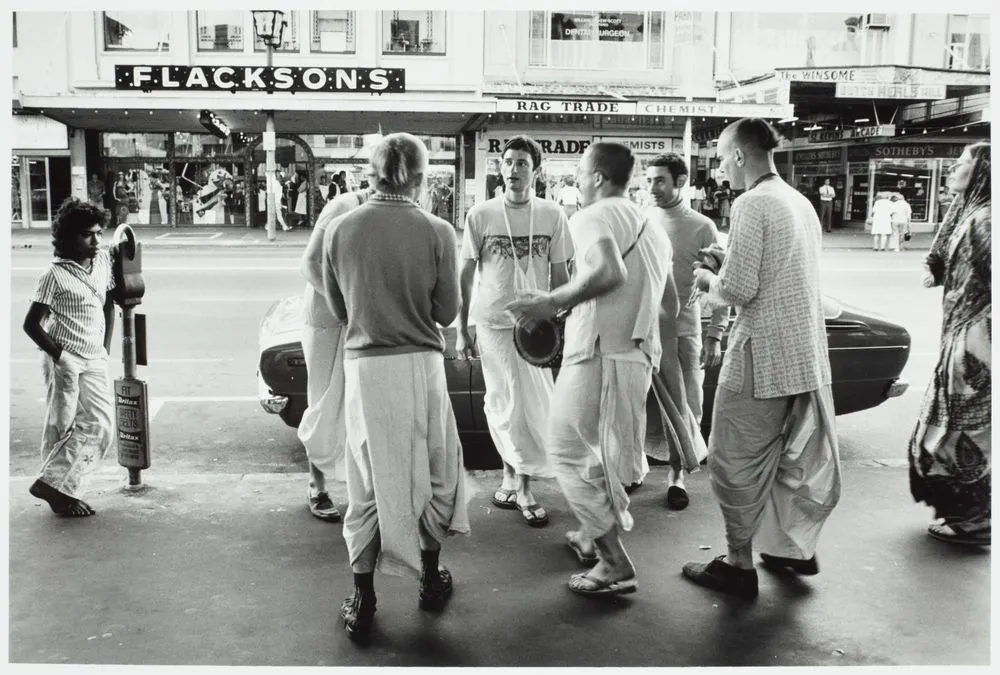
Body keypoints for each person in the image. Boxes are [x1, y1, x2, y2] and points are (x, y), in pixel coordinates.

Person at [683, 118, 840, 600]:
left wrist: (709, 279)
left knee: (732, 459)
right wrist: (725, 261)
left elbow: (737, 290)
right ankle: (790, 548)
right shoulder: (799, 201)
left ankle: (737, 564)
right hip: (803, 356)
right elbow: (778, 272)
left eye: (720, 156)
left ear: (738, 155)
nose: (718, 166)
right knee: (784, 459)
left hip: (761, 355)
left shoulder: (752, 203)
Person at [322, 133, 469, 642]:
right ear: (423, 179)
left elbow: (341, 312)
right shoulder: (437, 230)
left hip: (365, 369)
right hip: (421, 368)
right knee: (433, 472)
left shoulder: (340, 231)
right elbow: (446, 312)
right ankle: (430, 578)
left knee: (364, 482)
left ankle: (363, 597)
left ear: (372, 172)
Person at [507, 142, 671, 598]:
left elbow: (610, 272)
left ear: (597, 177)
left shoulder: (592, 216)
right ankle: (589, 533)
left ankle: (614, 563)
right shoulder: (649, 224)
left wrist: (551, 302)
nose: (575, 181)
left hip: (600, 353)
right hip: (634, 354)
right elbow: (668, 298)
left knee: (564, 449)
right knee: (596, 453)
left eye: (579, 172)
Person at [458, 135, 573, 528]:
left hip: (536, 328)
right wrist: (462, 327)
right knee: (501, 401)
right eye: (507, 162)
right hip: (492, 324)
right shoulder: (481, 214)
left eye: (522, 163)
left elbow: (561, 276)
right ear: (500, 167)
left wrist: (560, 322)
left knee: (530, 406)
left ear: (536, 170)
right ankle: (511, 471)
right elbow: (466, 273)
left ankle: (524, 485)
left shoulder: (553, 214)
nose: (513, 169)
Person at [911, 141, 991, 547]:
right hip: (963, 340)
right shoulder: (971, 212)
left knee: (961, 434)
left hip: (977, 347)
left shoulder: (986, 219)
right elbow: (946, 261)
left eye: (963, 162)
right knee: (953, 430)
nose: (954, 167)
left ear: (982, 170)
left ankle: (975, 522)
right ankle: (969, 519)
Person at [644, 153, 729, 509]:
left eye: (659, 180)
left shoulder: (703, 227)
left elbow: (720, 286)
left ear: (680, 182)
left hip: (683, 331)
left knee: (686, 405)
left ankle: (677, 474)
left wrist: (715, 334)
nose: (652, 188)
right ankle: (636, 471)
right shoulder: (641, 220)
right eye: (648, 180)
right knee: (640, 406)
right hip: (642, 331)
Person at [23, 197, 116, 518]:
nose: (95, 241)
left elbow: (107, 303)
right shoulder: (54, 275)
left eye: (99, 234)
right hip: (63, 358)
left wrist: (105, 347)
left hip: (95, 357)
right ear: (68, 238)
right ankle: (61, 493)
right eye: (87, 235)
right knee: (61, 425)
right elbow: (31, 325)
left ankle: (52, 484)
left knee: (101, 425)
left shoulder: (103, 262)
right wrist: (61, 357)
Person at [297, 183, 375, 523]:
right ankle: (317, 484)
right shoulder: (342, 207)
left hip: (357, 316)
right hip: (327, 318)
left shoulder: (387, 213)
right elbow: (310, 264)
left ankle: (361, 488)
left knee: (353, 402)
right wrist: (342, 305)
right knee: (324, 399)